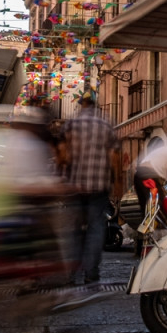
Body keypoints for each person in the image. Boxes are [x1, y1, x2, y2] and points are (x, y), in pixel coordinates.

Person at [62, 91, 117, 285]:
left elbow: (66, 154)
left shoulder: (72, 124)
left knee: (73, 229)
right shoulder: (106, 125)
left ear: (81, 105)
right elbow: (112, 156)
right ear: (95, 106)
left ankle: (70, 274)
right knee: (96, 228)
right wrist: (112, 179)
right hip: (99, 183)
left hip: (76, 183)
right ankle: (91, 273)